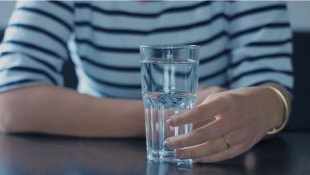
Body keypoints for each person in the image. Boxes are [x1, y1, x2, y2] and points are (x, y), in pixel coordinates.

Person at [0, 0, 293, 163]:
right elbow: (10, 103)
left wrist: (262, 108)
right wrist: (174, 119)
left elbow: (269, 92)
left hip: (208, 162)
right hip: (93, 162)